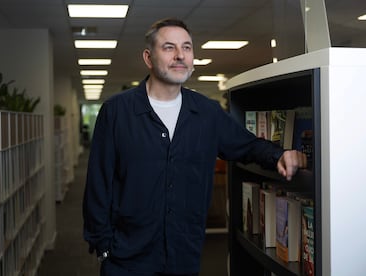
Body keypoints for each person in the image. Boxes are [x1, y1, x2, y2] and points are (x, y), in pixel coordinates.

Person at [82, 18, 307, 276]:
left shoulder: (207, 113)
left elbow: (246, 145)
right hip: (127, 259)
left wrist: (279, 155)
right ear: (148, 57)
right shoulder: (117, 111)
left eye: (187, 48)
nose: (180, 55)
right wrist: (103, 247)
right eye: (169, 47)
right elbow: (98, 184)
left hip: (184, 257)